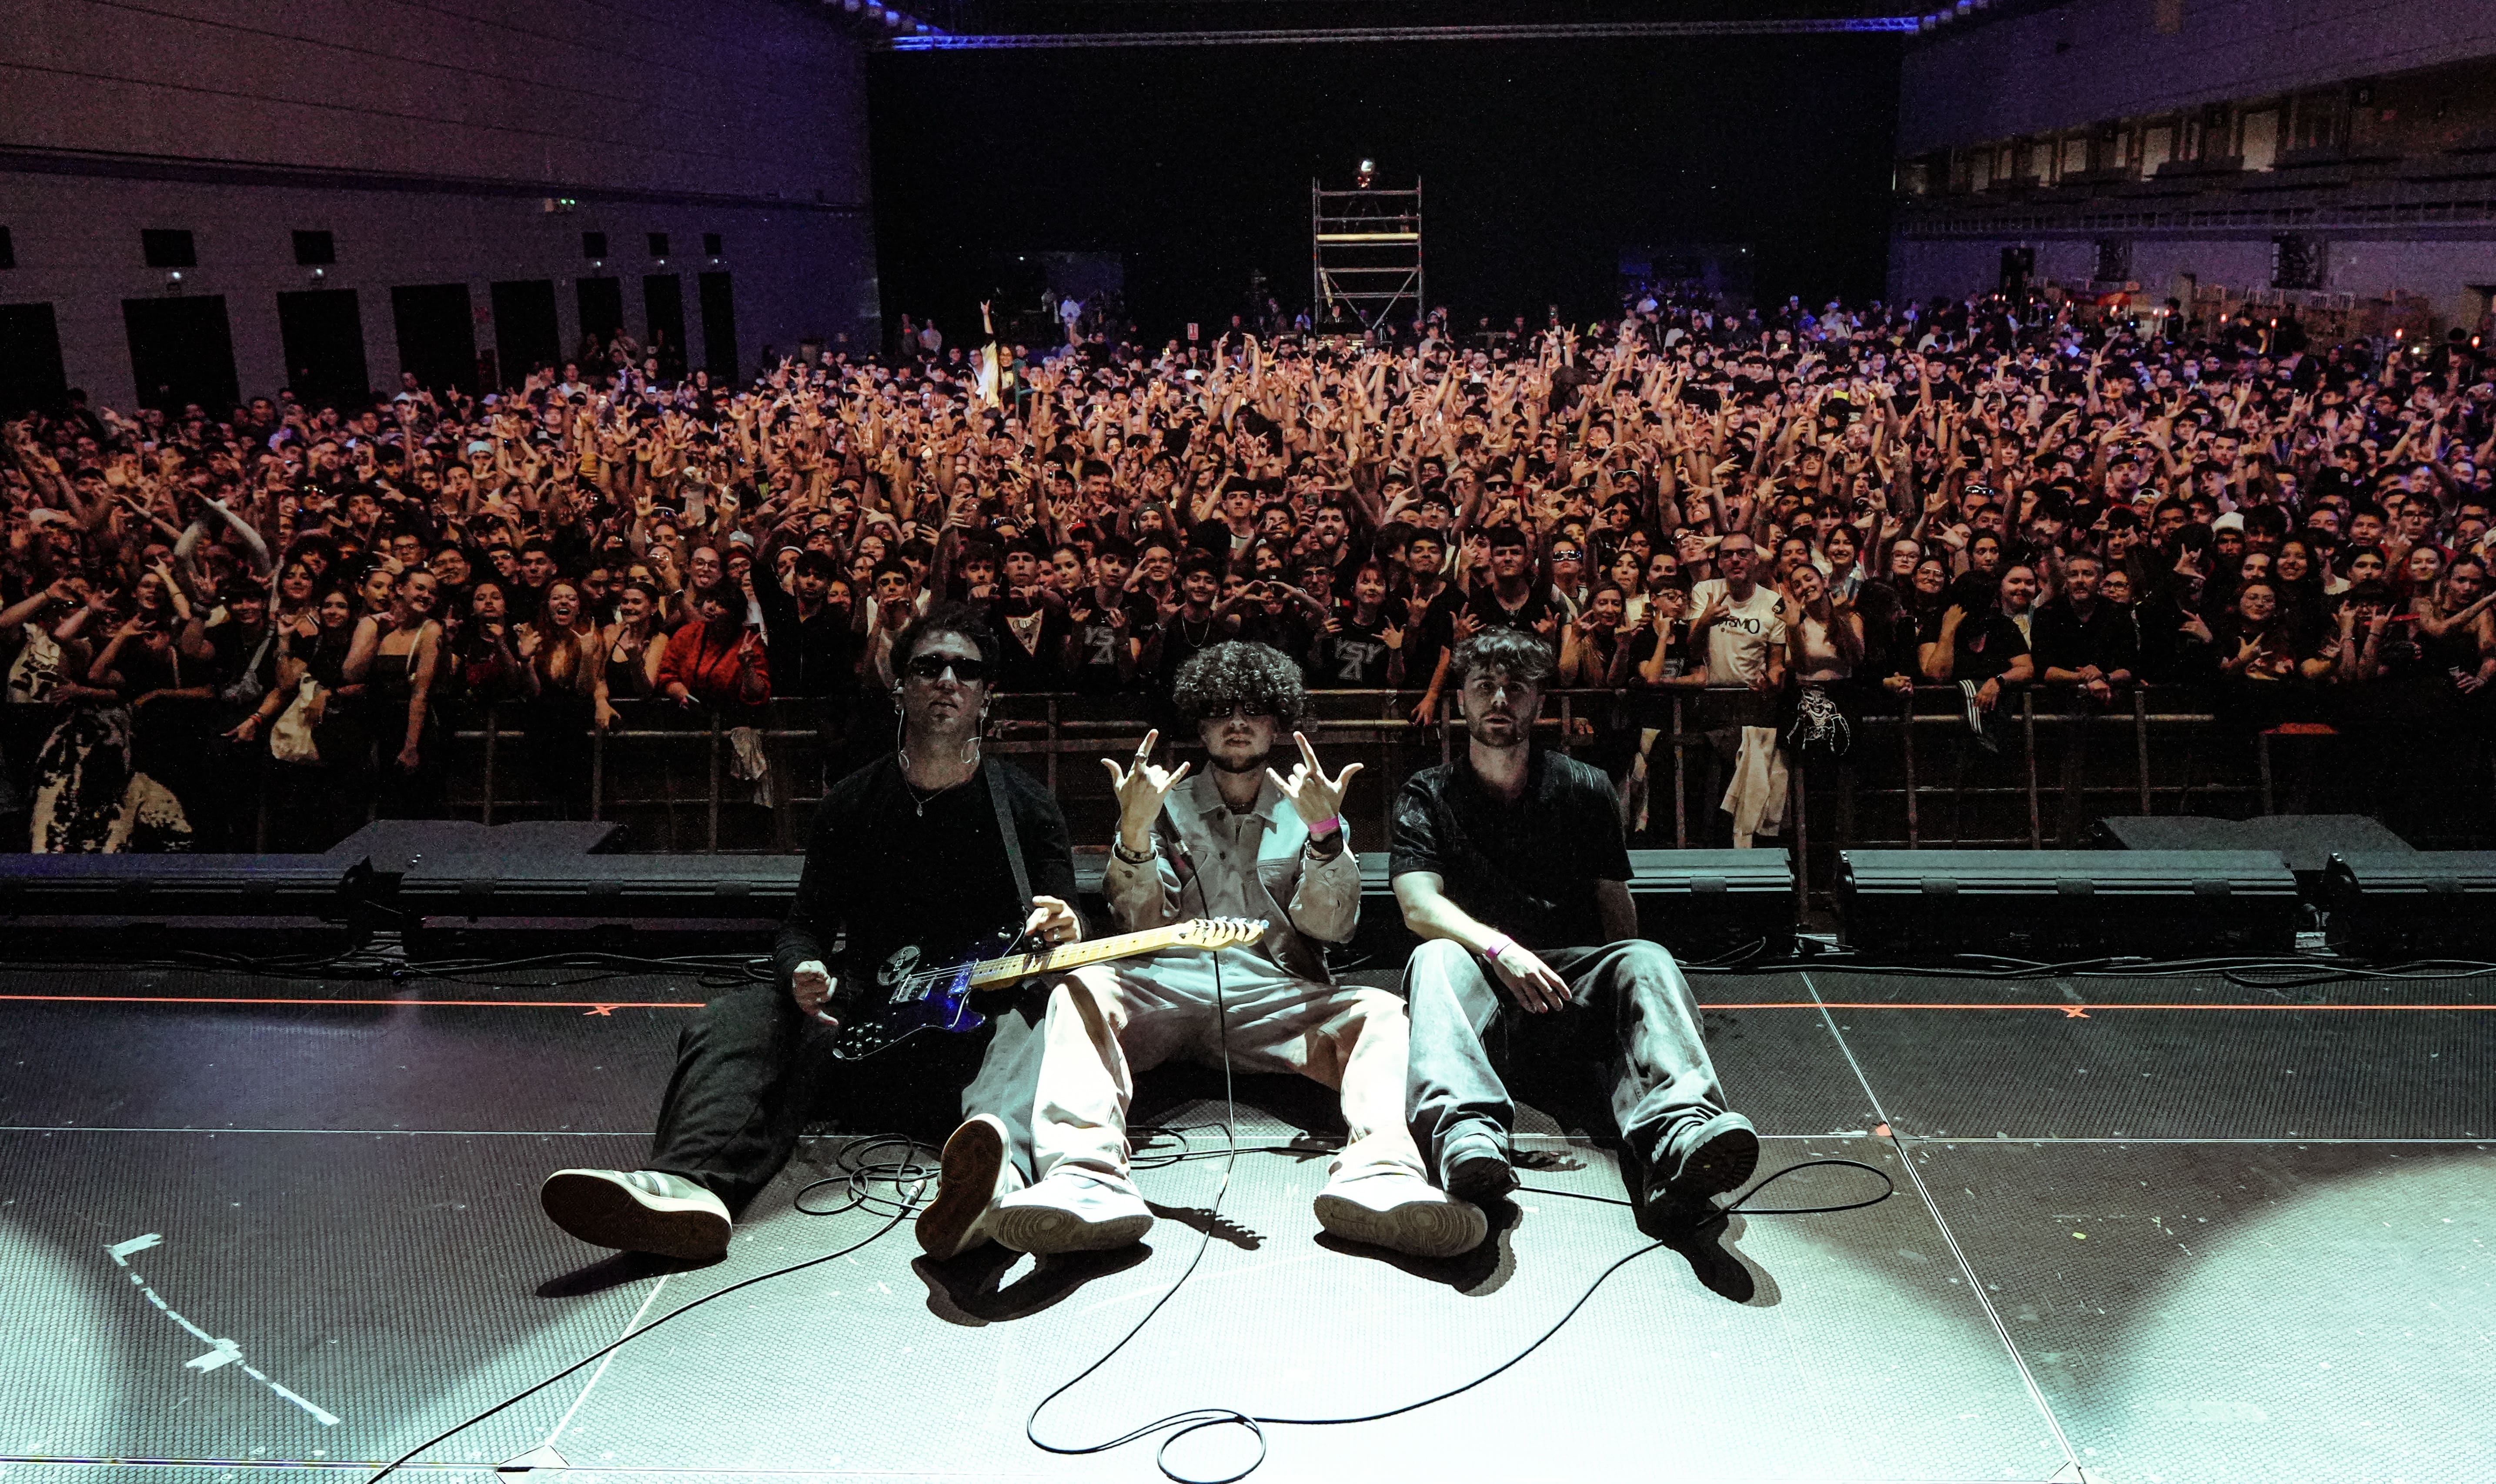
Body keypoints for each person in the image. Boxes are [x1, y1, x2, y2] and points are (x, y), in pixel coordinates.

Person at [540, 605, 1086, 1263]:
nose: (948, 680)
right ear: (900, 686)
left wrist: (1064, 929)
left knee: (1040, 1013)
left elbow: (1068, 925)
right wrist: (802, 968)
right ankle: (688, 1185)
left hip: (971, 1049)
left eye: (966, 670)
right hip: (867, 1036)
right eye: (929, 666)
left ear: (986, 695)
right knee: (735, 1016)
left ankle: (994, 1182)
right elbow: (805, 923)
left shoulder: (1025, 807)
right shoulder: (852, 803)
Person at [920, 641, 1486, 1259]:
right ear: (1200, 720)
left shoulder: (1312, 804)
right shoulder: (1163, 801)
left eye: (1252, 709)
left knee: (1383, 1012)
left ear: (1277, 719)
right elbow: (1138, 919)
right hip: (1169, 986)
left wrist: (1325, 834)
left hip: (1277, 994)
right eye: (1220, 709)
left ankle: (1383, 1173)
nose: (1237, 721)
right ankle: (1086, 1175)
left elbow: (1332, 928)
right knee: (1080, 987)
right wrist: (1135, 832)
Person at [1393, 630, 1758, 1224]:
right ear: (1461, 700)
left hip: (1566, 994)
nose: (1500, 699)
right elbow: (1417, 904)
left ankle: (1681, 1133)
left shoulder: (1585, 786)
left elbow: (1614, 902)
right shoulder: (1428, 793)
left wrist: (1633, 1017)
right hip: (1482, 1000)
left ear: (1539, 701)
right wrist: (1501, 948)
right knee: (1435, 957)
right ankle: (1467, 1136)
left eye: (1517, 687)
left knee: (1646, 956)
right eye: (1485, 686)